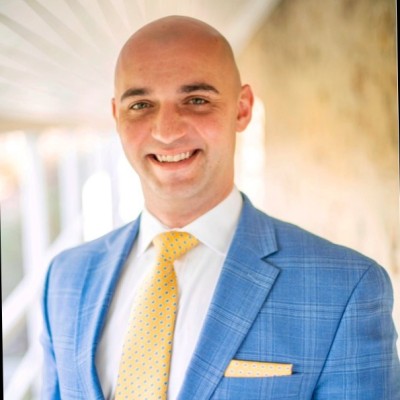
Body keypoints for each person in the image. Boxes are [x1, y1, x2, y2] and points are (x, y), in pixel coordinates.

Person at [41, 15, 400, 400]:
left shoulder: (346, 288)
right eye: (141, 104)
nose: (166, 131)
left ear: (242, 109)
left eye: (196, 100)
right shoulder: (65, 279)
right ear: (116, 116)